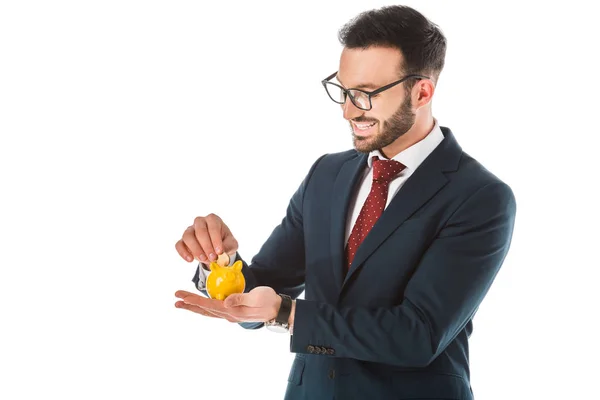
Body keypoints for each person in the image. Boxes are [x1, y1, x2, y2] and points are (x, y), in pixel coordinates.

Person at [173, 5, 516, 400]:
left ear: (422, 91)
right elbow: (264, 289)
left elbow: (417, 334)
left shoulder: (480, 197)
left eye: (366, 94)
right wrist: (220, 262)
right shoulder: (327, 174)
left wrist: (287, 314)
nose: (348, 110)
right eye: (344, 89)